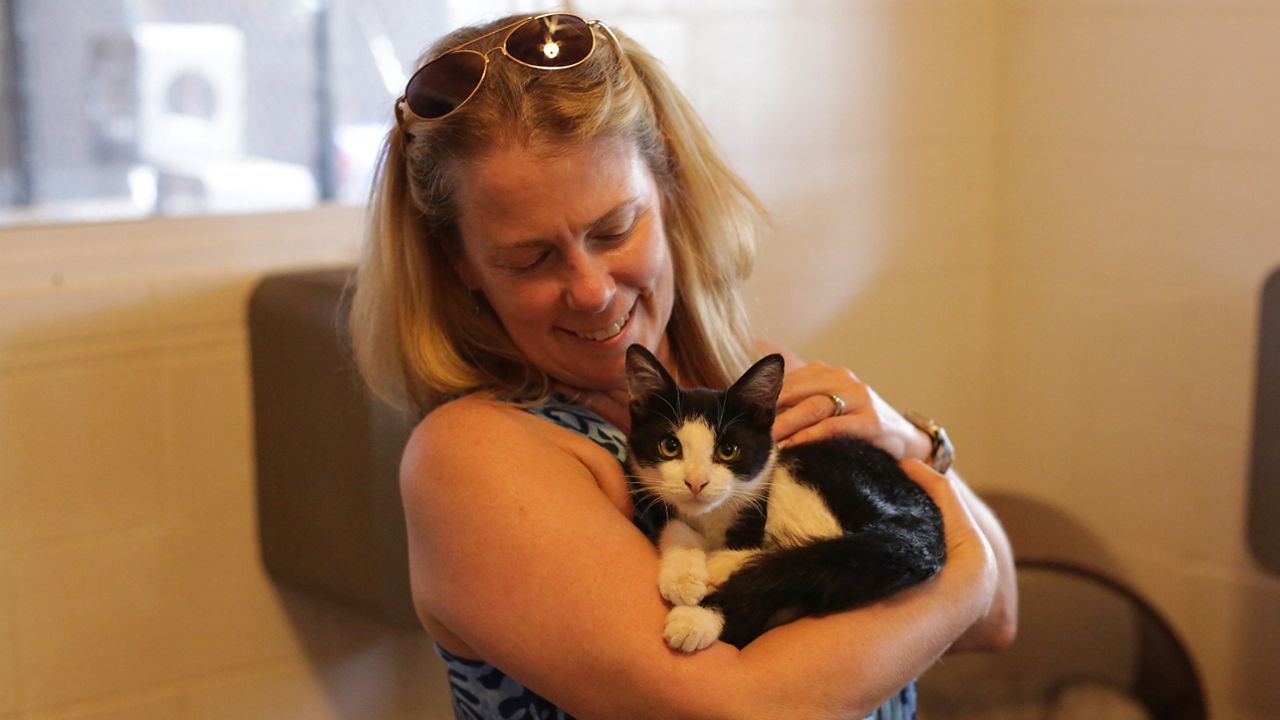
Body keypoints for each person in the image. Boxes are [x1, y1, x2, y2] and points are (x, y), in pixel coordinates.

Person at [350, 12, 1017, 720]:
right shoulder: (475, 458)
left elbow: (998, 620)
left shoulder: (751, 390)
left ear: (666, 180)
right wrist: (959, 571)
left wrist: (913, 443)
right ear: (461, 265)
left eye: (615, 229)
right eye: (531, 258)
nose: (592, 289)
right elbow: (733, 709)